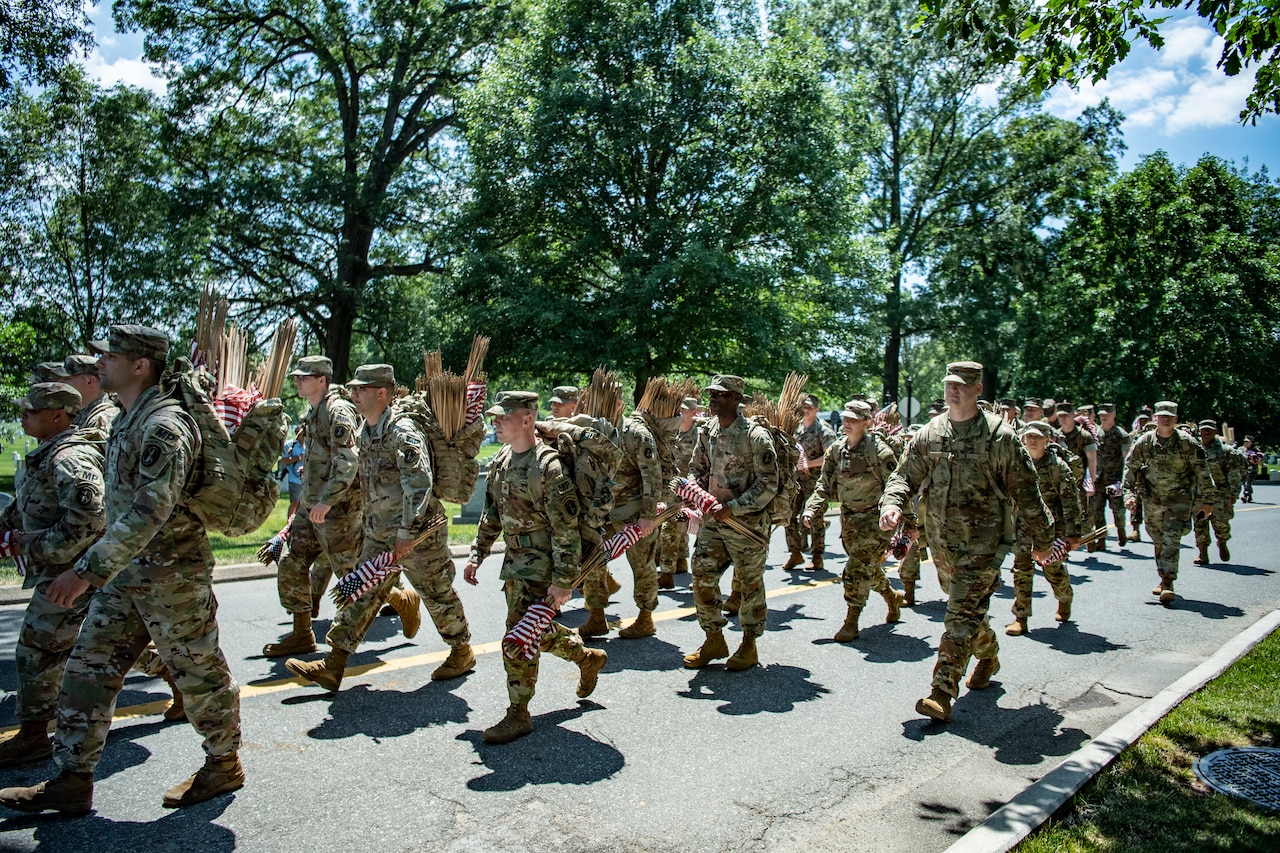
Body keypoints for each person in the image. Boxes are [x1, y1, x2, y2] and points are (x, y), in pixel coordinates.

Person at [0, 325, 244, 815]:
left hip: (170, 579)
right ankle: (72, 780)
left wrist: (85, 571)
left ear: (140, 366)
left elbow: (148, 512)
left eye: (110, 357)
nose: (99, 365)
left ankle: (223, 763)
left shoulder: (164, 426)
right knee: (86, 672)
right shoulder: (125, 419)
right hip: (125, 578)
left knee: (198, 674)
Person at [879, 361, 1054, 723]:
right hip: (942, 545)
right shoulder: (930, 434)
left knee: (958, 617)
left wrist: (1044, 539)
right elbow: (903, 477)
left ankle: (941, 693)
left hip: (984, 546)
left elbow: (1027, 493)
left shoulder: (999, 437)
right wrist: (893, 505)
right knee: (969, 614)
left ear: (978, 390)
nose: (953, 390)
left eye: (962, 384)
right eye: (949, 384)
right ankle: (987, 654)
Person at [287, 364, 474, 690]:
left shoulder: (402, 431)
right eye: (354, 389)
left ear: (382, 393)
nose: (354, 394)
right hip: (378, 533)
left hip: (416, 533)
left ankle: (462, 649)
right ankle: (334, 665)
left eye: (362, 389)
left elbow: (420, 483)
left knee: (436, 591)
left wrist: (406, 532)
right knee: (359, 592)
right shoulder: (365, 431)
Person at [463, 391, 607, 744]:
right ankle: (584, 656)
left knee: (517, 637)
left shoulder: (549, 467)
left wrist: (563, 581)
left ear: (527, 419)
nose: (495, 422)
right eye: (495, 416)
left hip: (543, 566)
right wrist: (476, 553)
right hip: (514, 564)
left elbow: (565, 529)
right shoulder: (500, 461)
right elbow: (492, 513)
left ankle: (518, 713)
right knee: (534, 630)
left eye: (503, 416)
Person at [0, 384, 106, 768]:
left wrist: (27, 544)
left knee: (36, 651)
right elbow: (29, 504)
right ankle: (171, 672)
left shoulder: (70, 457)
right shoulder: (47, 453)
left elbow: (90, 520)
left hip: (73, 574)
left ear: (59, 414)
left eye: (31, 410)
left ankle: (33, 737)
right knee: (90, 645)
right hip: (63, 573)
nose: (23, 416)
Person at [262, 356, 364, 656]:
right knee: (293, 563)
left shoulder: (337, 410)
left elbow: (348, 460)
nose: (297, 381)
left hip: (337, 510)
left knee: (351, 577)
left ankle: (399, 601)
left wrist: (327, 500)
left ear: (323, 380)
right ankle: (302, 633)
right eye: (296, 377)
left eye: (304, 377)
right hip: (311, 507)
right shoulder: (312, 411)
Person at [681, 375, 779, 671]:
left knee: (749, 585)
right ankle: (714, 638)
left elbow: (769, 484)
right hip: (713, 520)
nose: (713, 399)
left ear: (737, 400)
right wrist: (693, 490)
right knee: (701, 574)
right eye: (711, 394)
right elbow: (696, 468)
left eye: (721, 395)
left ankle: (749, 644)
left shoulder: (756, 436)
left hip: (746, 526)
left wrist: (733, 507)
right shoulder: (707, 430)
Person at [805, 401, 902, 642]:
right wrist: (812, 509)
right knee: (868, 566)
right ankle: (891, 596)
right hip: (848, 518)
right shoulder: (837, 451)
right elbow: (823, 486)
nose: (847, 423)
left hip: (875, 520)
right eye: (846, 418)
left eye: (854, 420)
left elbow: (897, 487)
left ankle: (851, 622)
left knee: (856, 568)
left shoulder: (880, 453)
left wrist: (909, 523)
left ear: (867, 422)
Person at [1122, 401, 1214, 604]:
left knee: (1171, 539)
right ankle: (1163, 576)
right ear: (1155, 418)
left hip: (1178, 499)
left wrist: (1207, 501)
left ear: (1176, 420)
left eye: (1170, 416)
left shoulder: (1187, 443)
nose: (1165, 419)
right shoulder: (1144, 442)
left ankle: (1168, 581)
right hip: (1152, 499)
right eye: (1162, 415)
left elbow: (1202, 472)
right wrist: (1128, 496)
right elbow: (1130, 468)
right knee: (1158, 539)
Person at [1006, 422, 1080, 635]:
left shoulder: (1057, 466)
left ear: (1048, 440)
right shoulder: (1017, 464)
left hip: (1050, 530)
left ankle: (1065, 598)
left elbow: (1070, 501)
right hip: (1022, 526)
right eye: (1028, 437)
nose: (1032, 441)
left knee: (1052, 569)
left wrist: (1072, 534)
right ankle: (1021, 617)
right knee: (1021, 569)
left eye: (1037, 437)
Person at [784, 394, 836, 571]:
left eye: (810, 407)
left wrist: (809, 464)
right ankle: (795, 553)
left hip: (816, 482)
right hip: (796, 482)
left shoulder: (823, 430)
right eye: (804, 406)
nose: (806, 409)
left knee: (814, 517)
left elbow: (830, 456)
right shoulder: (795, 428)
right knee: (789, 516)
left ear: (817, 409)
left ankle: (817, 556)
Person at [657, 396, 700, 586]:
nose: (680, 413)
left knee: (686, 527)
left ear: (694, 413)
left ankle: (682, 561)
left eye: (685, 410)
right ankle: (667, 572)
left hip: (694, 488)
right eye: (679, 410)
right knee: (671, 526)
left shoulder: (700, 435)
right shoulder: (672, 433)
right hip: (673, 488)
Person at [1192, 419, 1244, 566]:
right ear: (1199, 431)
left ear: (1216, 431)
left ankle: (1222, 542)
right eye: (1204, 430)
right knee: (1199, 524)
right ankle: (1203, 553)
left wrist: (1233, 494)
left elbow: (1234, 474)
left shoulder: (1225, 451)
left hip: (1220, 494)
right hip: (1199, 495)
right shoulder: (1194, 450)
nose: (1206, 432)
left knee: (1221, 523)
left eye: (1210, 430)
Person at [1091, 403, 1131, 548]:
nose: (1104, 417)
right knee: (1097, 510)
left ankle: (1121, 531)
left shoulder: (1121, 435)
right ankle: (1101, 539)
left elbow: (1127, 458)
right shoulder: (1095, 433)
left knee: (1117, 510)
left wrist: (1125, 480)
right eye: (1101, 415)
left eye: (1107, 414)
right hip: (1099, 479)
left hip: (1115, 480)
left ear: (1114, 414)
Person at [62, 354, 118, 435]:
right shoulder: (77, 415)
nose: (62, 384)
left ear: (89, 382)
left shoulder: (104, 418)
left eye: (68, 379)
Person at [281, 426, 305, 518]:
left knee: (302, 503)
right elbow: (284, 460)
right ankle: (288, 524)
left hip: (305, 479)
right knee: (295, 502)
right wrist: (298, 458)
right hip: (294, 478)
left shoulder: (308, 445)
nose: (304, 437)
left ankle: (296, 523)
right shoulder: (289, 445)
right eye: (302, 435)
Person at [1241, 436, 1262, 503]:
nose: (1245, 443)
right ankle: (1249, 496)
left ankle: (1245, 494)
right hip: (1243, 469)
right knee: (1245, 482)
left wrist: (1255, 460)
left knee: (1248, 480)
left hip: (1252, 469)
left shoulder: (1255, 450)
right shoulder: (1241, 449)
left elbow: (1260, 458)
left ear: (1251, 442)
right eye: (1245, 441)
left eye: (1247, 442)